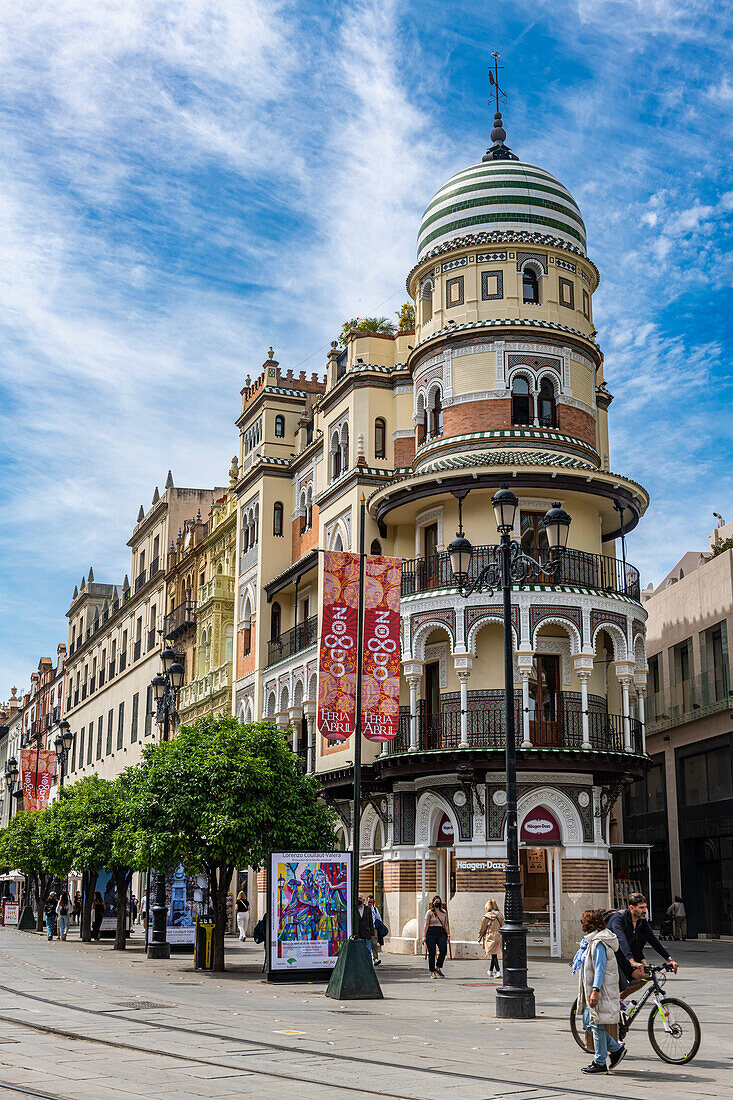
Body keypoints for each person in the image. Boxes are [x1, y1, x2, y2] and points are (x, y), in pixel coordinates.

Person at [577, 909, 626, 1074]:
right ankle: (615, 1049)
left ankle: (600, 1062)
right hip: (597, 989)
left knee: (596, 1024)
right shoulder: (596, 940)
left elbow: (599, 969)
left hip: (600, 990)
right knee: (588, 1022)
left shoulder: (598, 943)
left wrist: (595, 991)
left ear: (588, 924)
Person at [606, 892, 678, 1000]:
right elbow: (622, 940)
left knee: (643, 977)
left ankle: (620, 999)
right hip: (610, 956)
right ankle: (611, 1002)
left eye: (645, 907)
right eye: (641, 908)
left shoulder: (641, 921)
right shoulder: (619, 918)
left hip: (623, 956)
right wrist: (632, 961)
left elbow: (653, 940)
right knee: (616, 985)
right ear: (631, 907)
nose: (644, 910)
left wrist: (669, 959)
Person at [422, 895, 450, 979]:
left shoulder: (444, 912)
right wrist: (424, 936)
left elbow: (446, 924)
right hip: (431, 933)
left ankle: (438, 967)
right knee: (432, 953)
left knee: (443, 950)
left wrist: (448, 935)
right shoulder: (429, 912)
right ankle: (432, 971)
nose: (437, 903)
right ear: (433, 903)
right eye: (436, 902)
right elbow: (426, 925)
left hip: (441, 932)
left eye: (438, 902)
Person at [478, 898, 503, 976]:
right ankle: (490, 970)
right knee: (494, 954)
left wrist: (479, 937)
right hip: (499, 936)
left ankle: (498, 970)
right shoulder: (500, 915)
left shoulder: (486, 917)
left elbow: (482, 929)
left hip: (490, 937)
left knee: (493, 954)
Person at [356, 893, 374, 957]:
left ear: (363, 900)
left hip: (367, 933)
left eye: (360, 898)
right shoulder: (355, 909)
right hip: (358, 934)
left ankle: (369, 965)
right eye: (358, 898)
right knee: (359, 951)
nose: (359, 900)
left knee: (368, 951)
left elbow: (371, 921)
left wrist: (372, 933)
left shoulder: (367, 909)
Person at [366, 894, 383, 965]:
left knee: (374, 943)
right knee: (366, 943)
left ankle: (375, 958)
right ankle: (367, 959)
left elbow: (379, 919)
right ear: (366, 901)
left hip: (373, 928)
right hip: (366, 929)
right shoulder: (364, 909)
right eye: (369, 902)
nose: (370, 904)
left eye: (372, 902)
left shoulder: (375, 909)